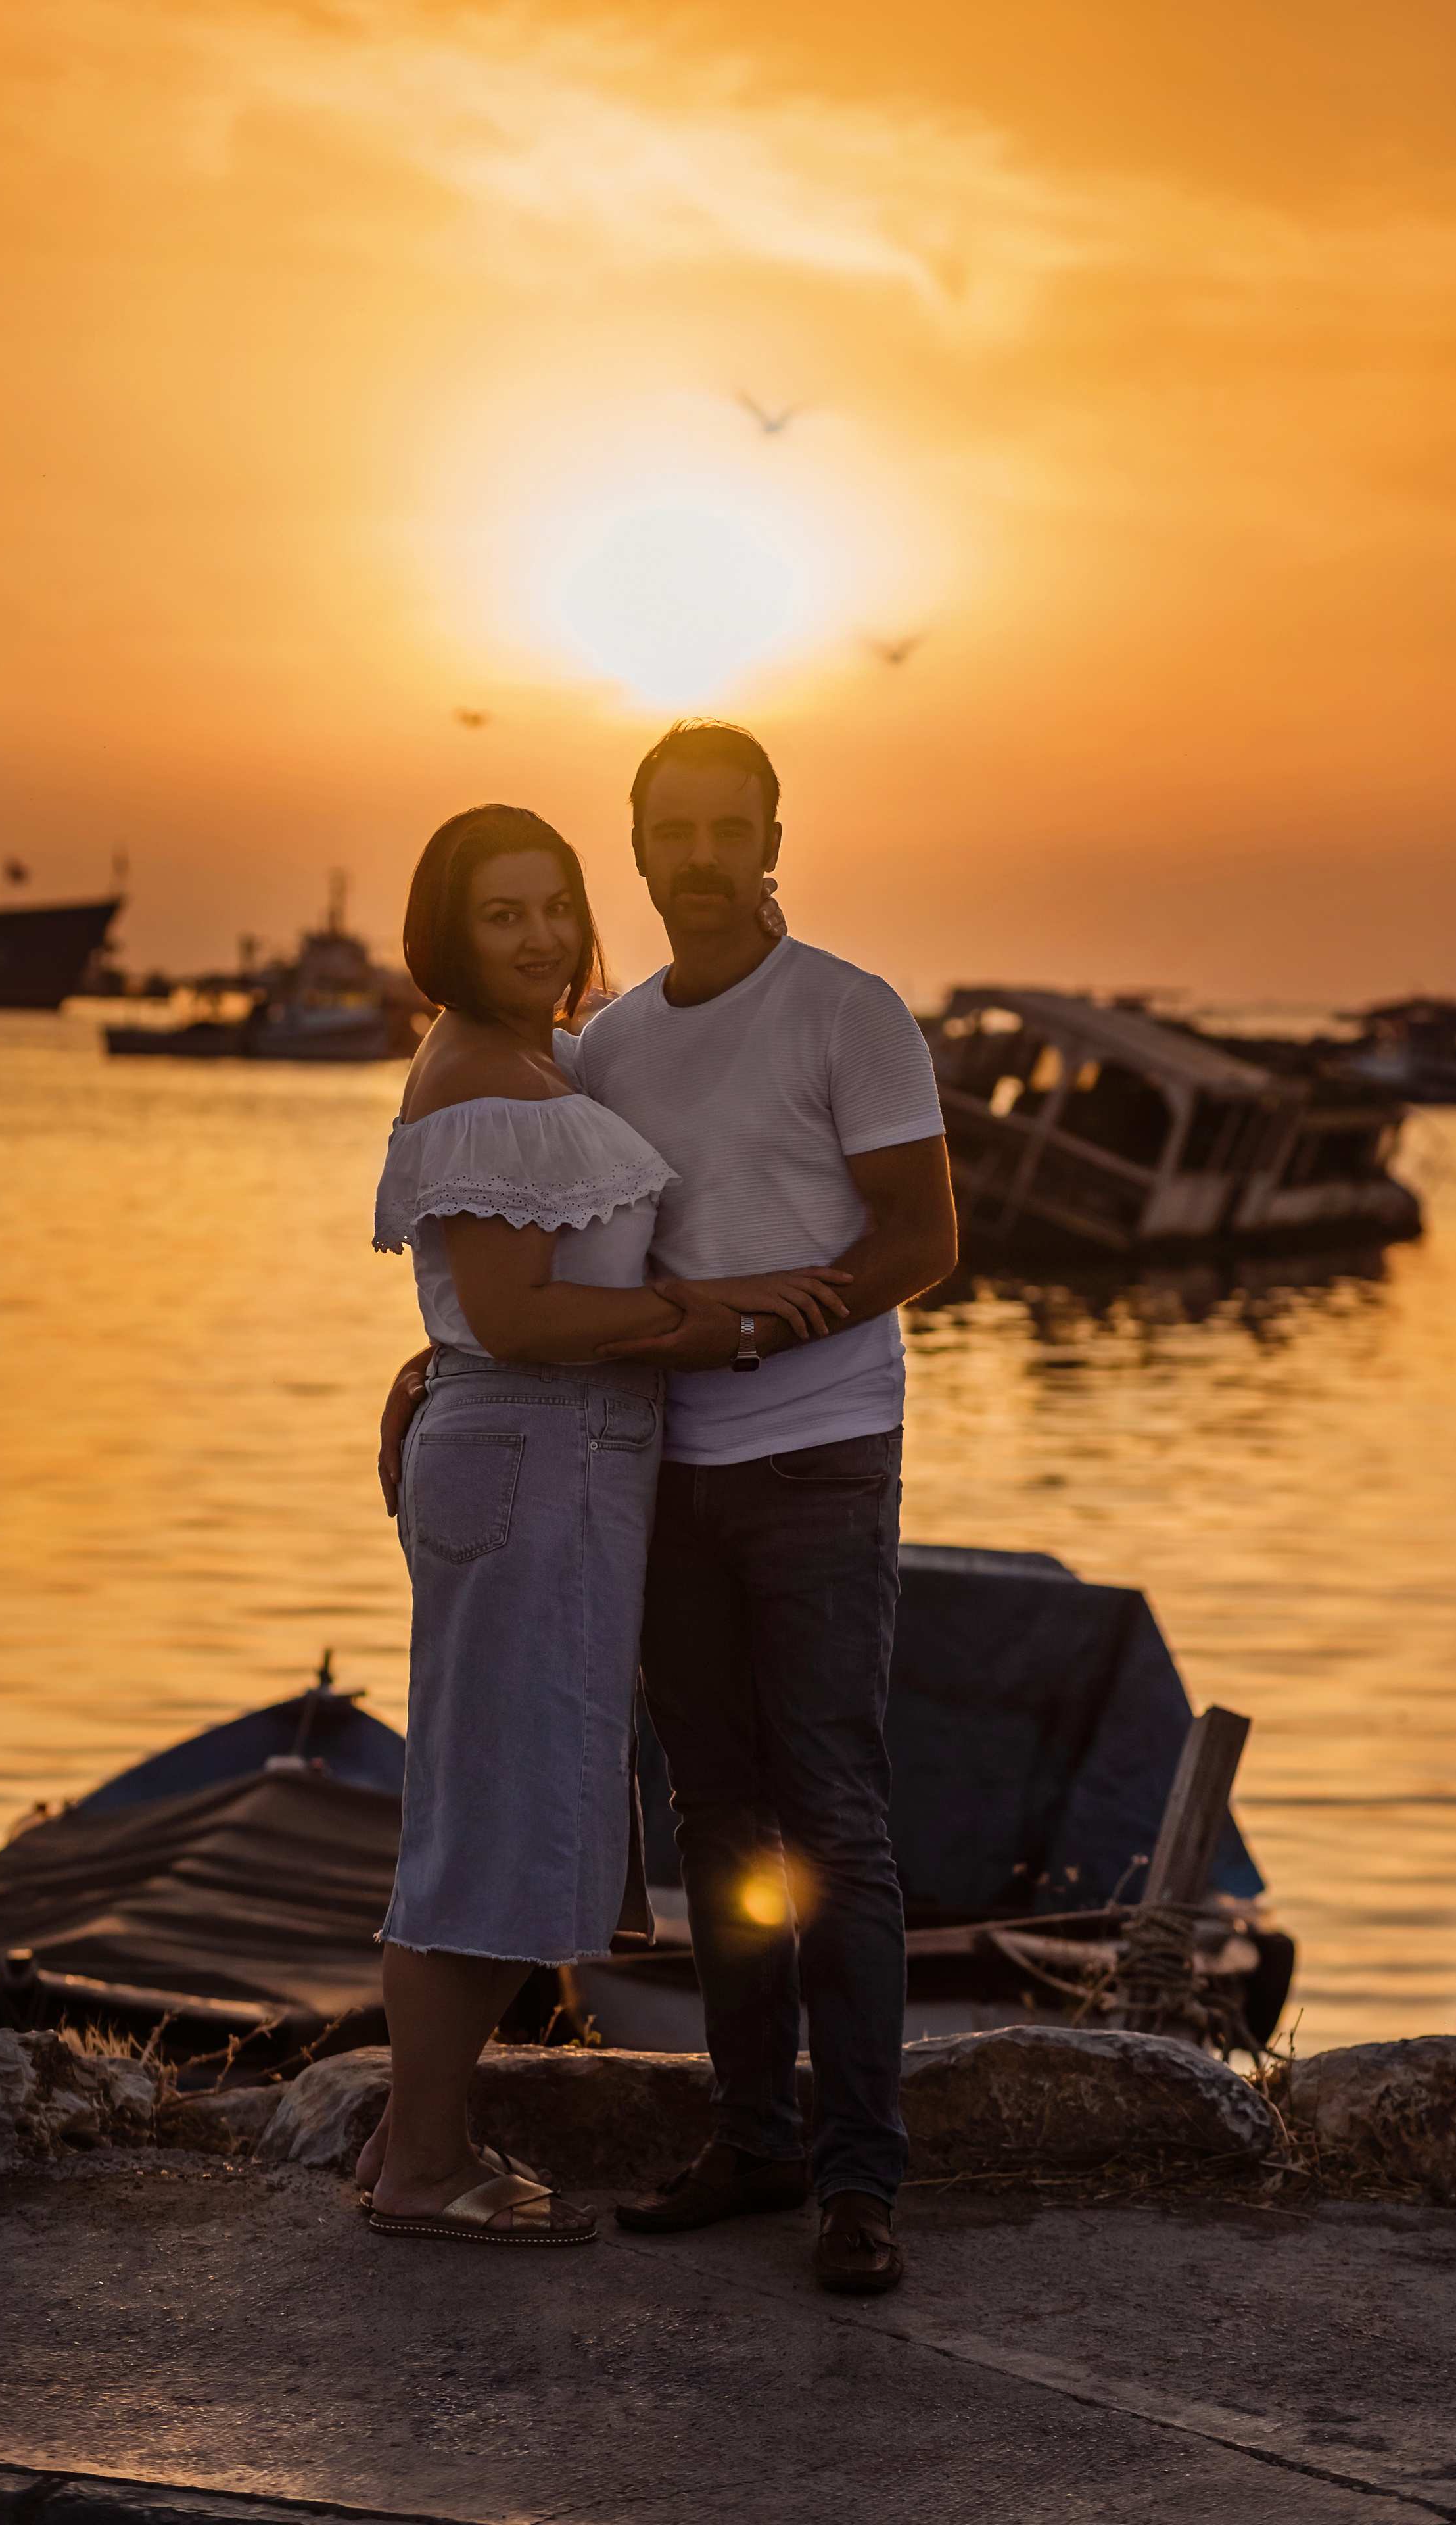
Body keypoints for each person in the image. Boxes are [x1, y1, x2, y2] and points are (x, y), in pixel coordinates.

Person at [379, 725, 957, 2291]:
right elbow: (534, 1250)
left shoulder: (849, 1012)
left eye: (728, 828)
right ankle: (752, 2134)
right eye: (669, 831)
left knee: (830, 1809)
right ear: (634, 848)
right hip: (651, 1471)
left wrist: (760, 1328)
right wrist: (438, 1361)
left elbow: (920, 1240)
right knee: (713, 1818)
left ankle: (857, 2178)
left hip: (819, 1452)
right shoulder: (607, 1042)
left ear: (774, 835)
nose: (698, 856)